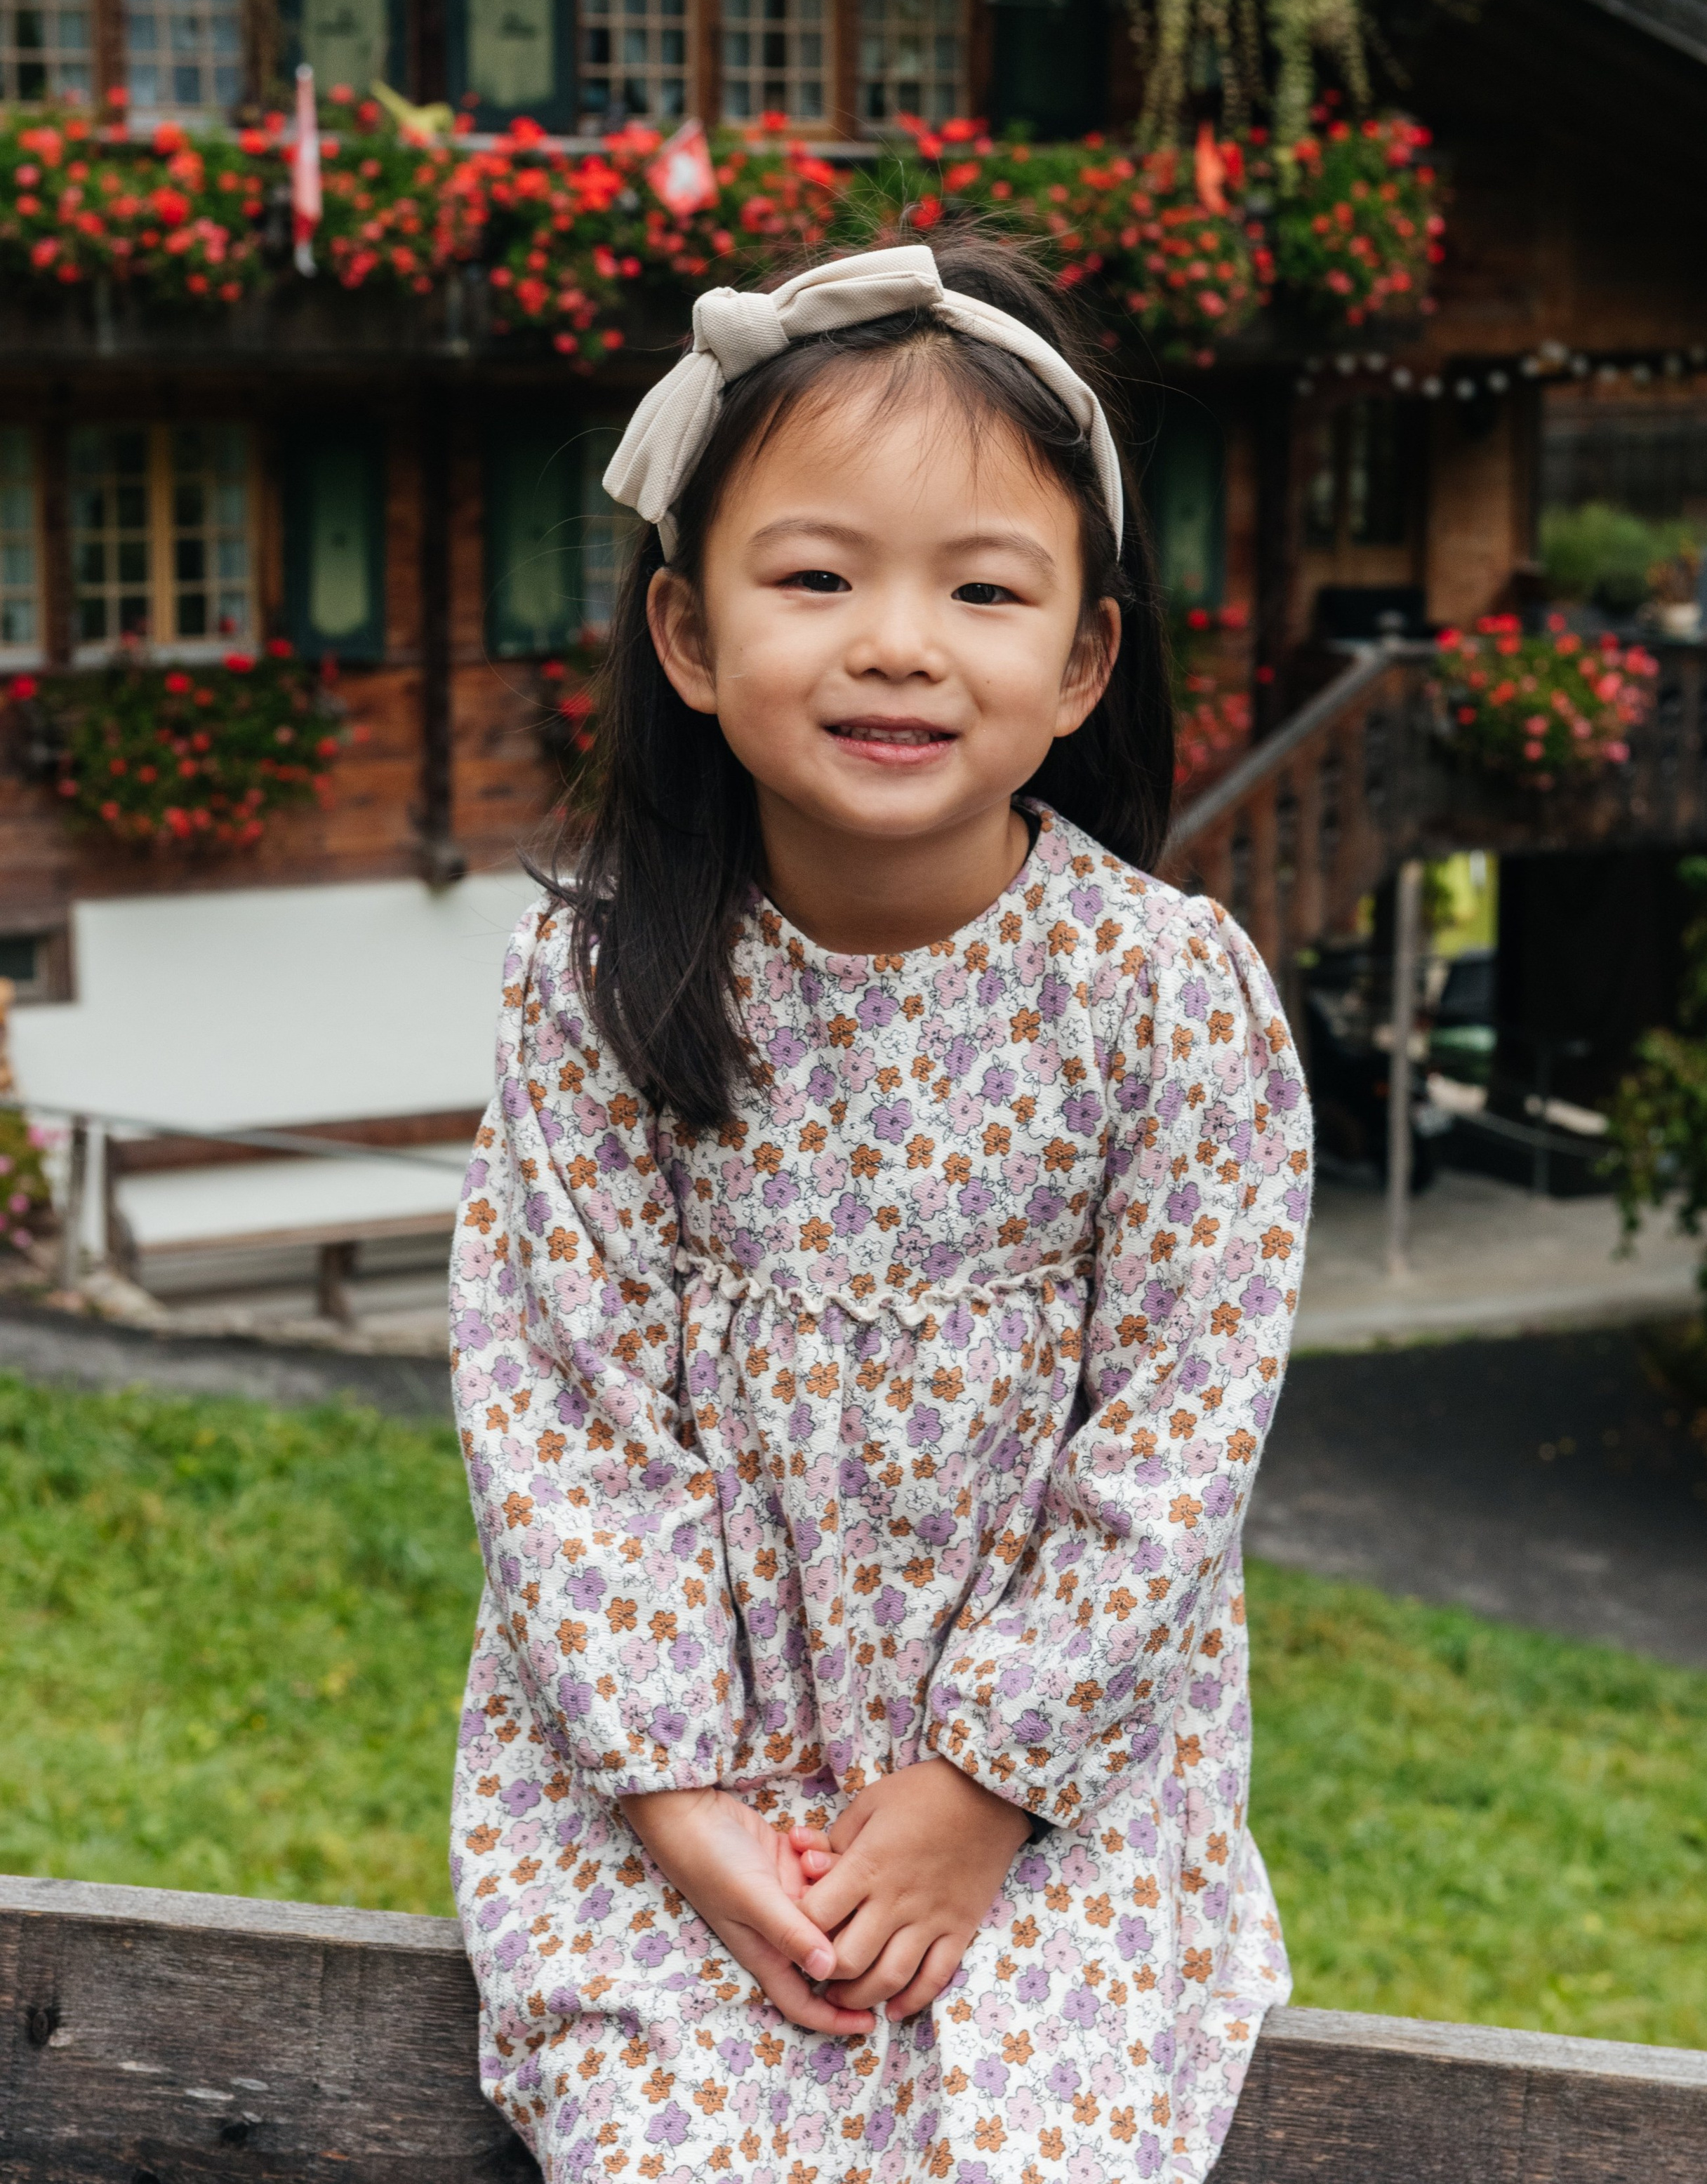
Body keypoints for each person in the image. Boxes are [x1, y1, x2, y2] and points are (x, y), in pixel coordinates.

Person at [449, 230, 1310, 2184]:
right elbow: (561, 1415)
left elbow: (1178, 1441)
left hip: (1052, 1791)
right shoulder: (596, 992)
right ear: (689, 635)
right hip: (669, 1768)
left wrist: (980, 1791)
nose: (899, 642)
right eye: (819, 577)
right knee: (668, 2140)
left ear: (1082, 658)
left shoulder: (1165, 999)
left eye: (983, 588)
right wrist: (682, 1806)